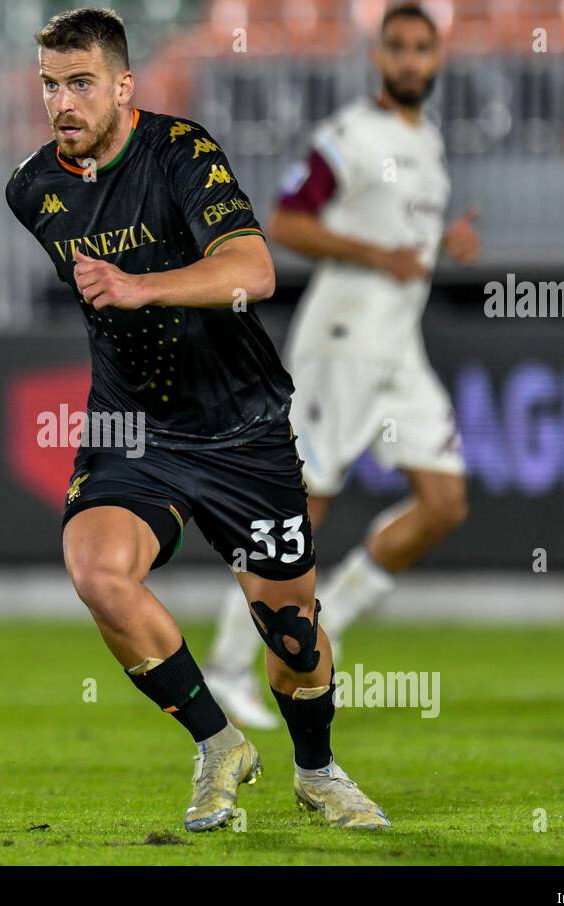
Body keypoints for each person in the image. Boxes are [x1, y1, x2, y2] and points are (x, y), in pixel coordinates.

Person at [6, 7, 389, 830]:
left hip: (243, 426)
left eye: (80, 84)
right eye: (49, 86)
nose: (62, 102)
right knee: (97, 569)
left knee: (293, 637)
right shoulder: (32, 191)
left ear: (123, 85)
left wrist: (142, 285)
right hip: (136, 429)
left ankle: (318, 770)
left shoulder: (183, 152)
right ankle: (218, 742)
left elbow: (254, 269)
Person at [204, 4, 479, 726]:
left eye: (424, 48)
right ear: (378, 58)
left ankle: (333, 624)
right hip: (344, 337)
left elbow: (399, 236)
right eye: (399, 49)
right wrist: (375, 254)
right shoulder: (349, 137)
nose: (412, 61)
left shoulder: (431, 141)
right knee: (302, 508)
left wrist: (441, 242)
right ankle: (230, 665)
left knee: (444, 501)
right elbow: (289, 219)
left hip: (398, 344)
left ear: (437, 58)